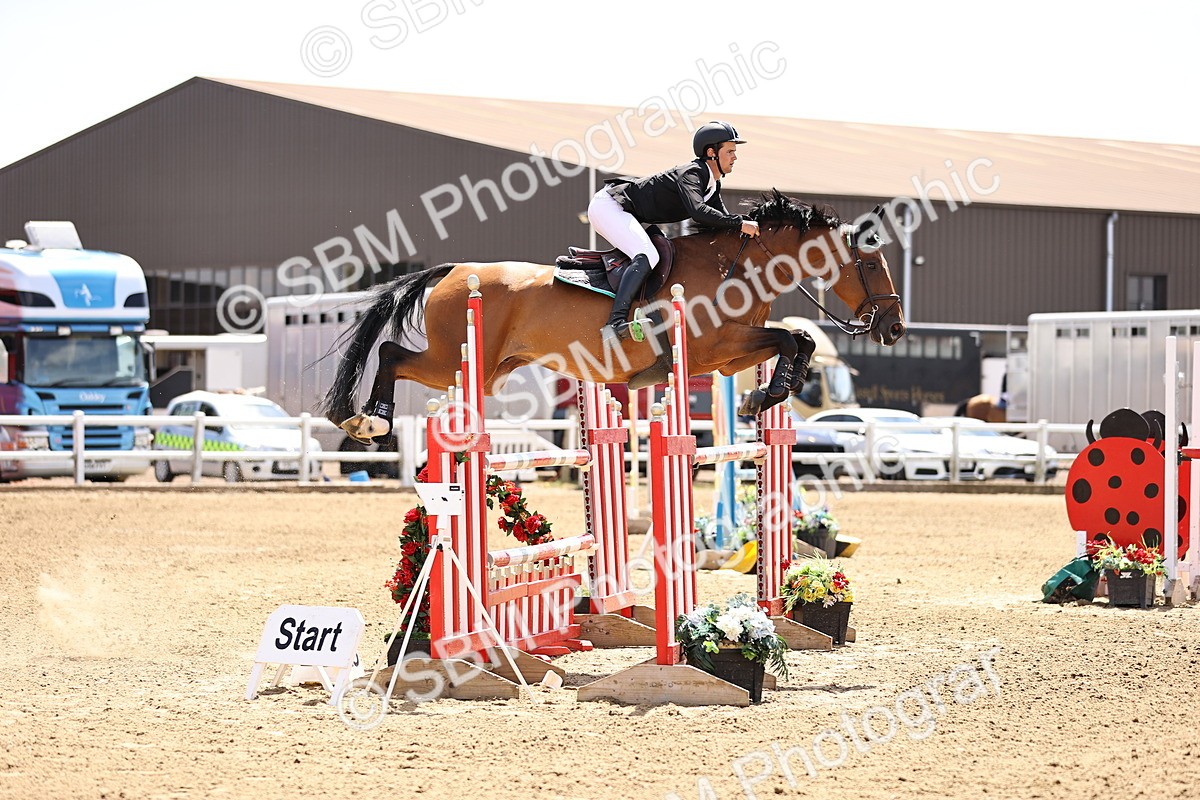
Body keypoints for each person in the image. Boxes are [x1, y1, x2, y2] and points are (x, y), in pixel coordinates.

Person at [589, 120, 760, 346]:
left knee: (661, 254)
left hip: (632, 215)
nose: (735, 157)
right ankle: (615, 323)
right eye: (730, 151)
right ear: (711, 153)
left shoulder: (711, 185)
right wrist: (739, 223)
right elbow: (699, 212)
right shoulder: (692, 173)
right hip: (610, 206)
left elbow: (721, 224)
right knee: (648, 255)